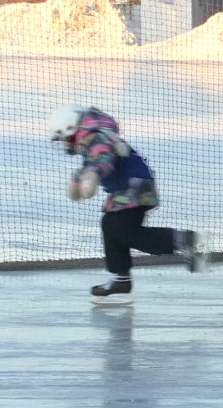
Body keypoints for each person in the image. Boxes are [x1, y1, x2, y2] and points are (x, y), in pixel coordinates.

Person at [48, 104, 204, 303]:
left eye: (62, 139)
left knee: (125, 231)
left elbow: (102, 158)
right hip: (128, 190)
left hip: (135, 188)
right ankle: (121, 279)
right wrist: (79, 177)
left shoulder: (96, 138)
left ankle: (186, 240)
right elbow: (92, 161)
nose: (63, 144)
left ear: (70, 130)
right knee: (111, 225)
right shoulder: (90, 140)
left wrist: (93, 173)